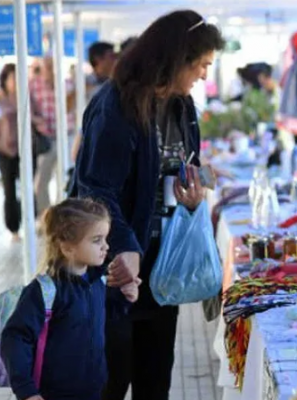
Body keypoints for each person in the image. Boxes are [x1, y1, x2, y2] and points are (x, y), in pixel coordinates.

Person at [72, 10, 225, 400]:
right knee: (108, 380)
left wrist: (194, 194)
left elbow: (175, 171)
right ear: (177, 59)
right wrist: (125, 246)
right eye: (202, 65)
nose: (205, 75)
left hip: (160, 271)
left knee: (155, 380)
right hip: (112, 270)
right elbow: (95, 188)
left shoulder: (183, 107)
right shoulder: (117, 105)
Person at [1, 198, 139, 400]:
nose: (106, 247)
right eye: (96, 240)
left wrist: (125, 299)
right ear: (67, 247)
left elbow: (102, 318)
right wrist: (27, 391)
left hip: (93, 390)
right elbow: (15, 338)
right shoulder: (44, 292)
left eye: (106, 238)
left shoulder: (97, 282)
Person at [30, 56, 76, 219]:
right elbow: (27, 109)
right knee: (41, 181)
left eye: (53, 66)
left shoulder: (68, 84)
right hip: (46, 138)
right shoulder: (33, 85)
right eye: (47, 66)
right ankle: (45, 216)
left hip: (67, 135)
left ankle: (63, 216)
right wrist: (36, 121)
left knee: (65, 178)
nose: (50, 69)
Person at [0, 64, 21, 241]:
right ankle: (13, 228)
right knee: (10, 189)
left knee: (26, 186)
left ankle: (28, 217)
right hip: (4, 150)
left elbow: (37, 117)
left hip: (24, 149)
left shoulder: (24, 98)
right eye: (12, 78)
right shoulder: (1, 100)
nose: (15, 82)